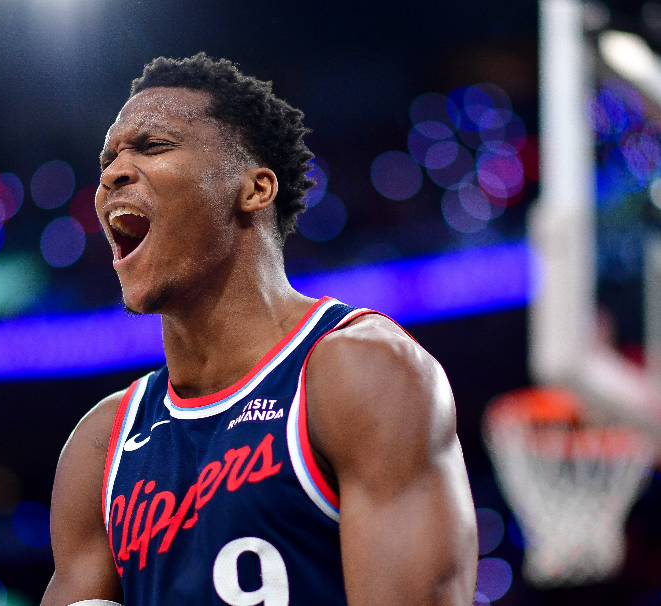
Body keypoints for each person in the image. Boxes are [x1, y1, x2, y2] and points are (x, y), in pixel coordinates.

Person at [41, 53, 478, 606]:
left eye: (153, 146)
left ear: (256, 189)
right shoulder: (100, 446)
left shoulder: (362, 374)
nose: (111, 175)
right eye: (108, 160)